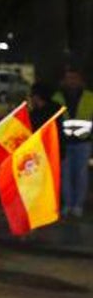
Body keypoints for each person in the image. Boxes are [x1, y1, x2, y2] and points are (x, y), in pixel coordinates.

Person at [54, 66, 93, 217]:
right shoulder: (57, 98)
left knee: (81, 174)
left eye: (74, 78)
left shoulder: (90, 97)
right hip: (65, 142)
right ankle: (68, 204)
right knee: (66, 175)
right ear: (63, 81)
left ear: (80, 80)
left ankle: (78, 205)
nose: (72, 81)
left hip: (84, 141)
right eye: (68, 78)